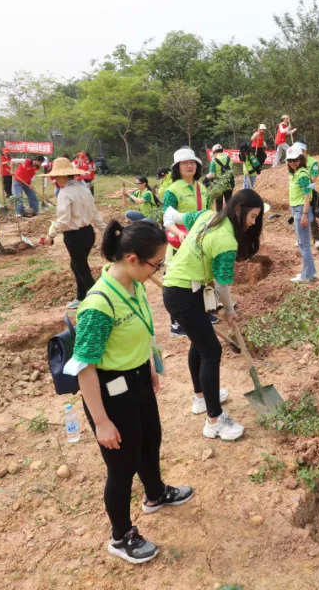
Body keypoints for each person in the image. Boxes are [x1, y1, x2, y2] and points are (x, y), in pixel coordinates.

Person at [67, 220, 194, 564]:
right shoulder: (98, 304)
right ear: (135, 259)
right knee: (121, 467)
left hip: (137, 378)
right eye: (158, 263)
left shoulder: (133, 285)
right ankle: (121, 535)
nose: (160, 270)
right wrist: (102, 421)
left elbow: (138, 329)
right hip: (111, 393)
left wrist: (148, 364)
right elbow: (85, 367)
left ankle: (155, 494)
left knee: (150, 440)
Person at [163, 189, 264, 440]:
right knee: (211, 351)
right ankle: (214, 420)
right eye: (252, 217)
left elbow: (174, 216)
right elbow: (221, 285)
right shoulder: (226, 240)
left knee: (200, 343)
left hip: (183, 288)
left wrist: (173, 225)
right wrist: (229, 311)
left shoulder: (207, 215)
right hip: (183, 293)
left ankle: (201, 397)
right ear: (239, 210)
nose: (253, 223)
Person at [41, 158, 106, 307]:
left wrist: (50, 234)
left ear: (63, 176)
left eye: (56, 177)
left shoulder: (64, 193)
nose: (55, 180)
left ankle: (97, 300)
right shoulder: (84, 189)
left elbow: (63, 220)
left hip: (74, 236)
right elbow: (95, 213)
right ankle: (81, 296)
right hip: (89, 234)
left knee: (81, 267)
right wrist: (104, 229)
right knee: (76, 264)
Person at [162, 148, 212, 336]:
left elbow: (206, 213)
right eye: (185, 163)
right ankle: (176, 322)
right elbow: (167, 218)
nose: (190, 166)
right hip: (179, 242)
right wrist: (179, 234)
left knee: (199, 276)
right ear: (177, 168)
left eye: (192, 162)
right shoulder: (172, 190)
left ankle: (200, 313)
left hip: (199, 241)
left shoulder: (202, 188)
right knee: (178, 281)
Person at [285, 147, 317, 283]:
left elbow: (307, 196)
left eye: (296, 160)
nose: (293, 162)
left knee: (304, 244)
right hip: (296, 209)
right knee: (302, 243)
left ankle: (307, 275)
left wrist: (304, 214)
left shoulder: (302, 175)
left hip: (301, 210)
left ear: (301, 159)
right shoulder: (295, 173)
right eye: (290, 160)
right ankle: (308, 272)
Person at [292, 141, 319, 249]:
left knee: (311, 217)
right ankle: (299, 238)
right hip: (296, 195)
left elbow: (313, 178)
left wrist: (304, 183)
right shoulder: (294, 162)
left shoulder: (313, 162)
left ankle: (317, 239)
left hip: (308, 193)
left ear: (304, 150)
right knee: (297, 217)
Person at [206, 144, 234, 211]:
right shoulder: (230, 159)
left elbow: (211, 175)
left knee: (219, 204)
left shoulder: (214, 161)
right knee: (229, 202)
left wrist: (206, 177)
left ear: (214, 152)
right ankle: (230, 217)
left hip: (219, 186)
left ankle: (219, 218)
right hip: (229, 184)